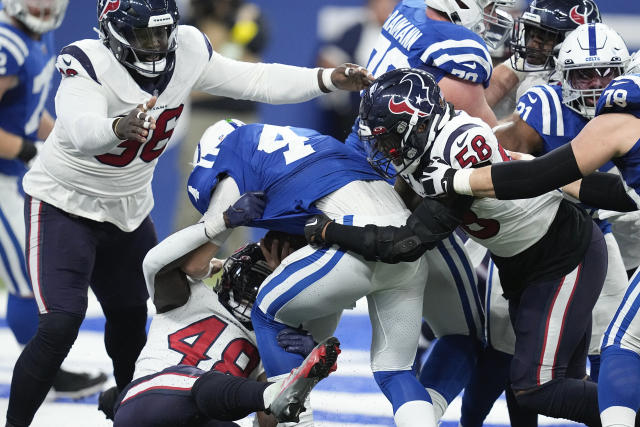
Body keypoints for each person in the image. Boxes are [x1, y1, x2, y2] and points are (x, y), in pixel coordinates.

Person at [4, 0, 375, 425]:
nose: (157, 45)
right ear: (114, 33)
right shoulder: (89, 61)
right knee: (59, 326)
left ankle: (126, 410)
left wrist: (326, 79)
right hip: (63, 204)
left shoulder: (189, 51)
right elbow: (81, 126)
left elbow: (255, 78)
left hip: (127, 210)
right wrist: (116, 127)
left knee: (129, 324)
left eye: (163, 33)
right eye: (145, 36)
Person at [304, 67, 608, 426]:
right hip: (519, 264)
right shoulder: (419, 148)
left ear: (417, 125)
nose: (384, 149)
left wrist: (330, 232)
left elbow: (407, 243)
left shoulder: (459, 145)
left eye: (388, 139)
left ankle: (627, 407)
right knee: (543, 382)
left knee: (538, 387)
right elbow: (398, 212)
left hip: (562, 256)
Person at [186, 118, 435, 426]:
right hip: (404, 243)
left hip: (351, 241)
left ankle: (298, 417)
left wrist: (216, 258)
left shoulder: (235, 154)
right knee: (397, 372)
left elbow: (193, 264)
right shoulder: (310, 142)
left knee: (268, 310)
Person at [102, 226, 339, 427]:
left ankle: (270, 393)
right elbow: (155, 262)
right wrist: (222, 221)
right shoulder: (188, 294)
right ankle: (268, 393)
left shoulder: (272, 337)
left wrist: (300, 365)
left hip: (206, 418)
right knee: (200, 384)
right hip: (153, 401)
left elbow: (270, 420)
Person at [0, 0, 108, 399]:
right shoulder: (7, 42)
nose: (42, 5)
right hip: (3, 176)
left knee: (30, 274)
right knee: (28, 280)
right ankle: (43, 374)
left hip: (11, 174)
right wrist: (27, 151)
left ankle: (44, 370)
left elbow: (26, 112)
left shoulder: (37, 39)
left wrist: (63, 136)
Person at [485, 0, 601, 110]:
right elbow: (494, 85)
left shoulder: (594, 83)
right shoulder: (532, 62)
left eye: (543, 38)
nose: (531, 45)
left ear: (573, 41)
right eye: (531, 34)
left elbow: (519, 129)